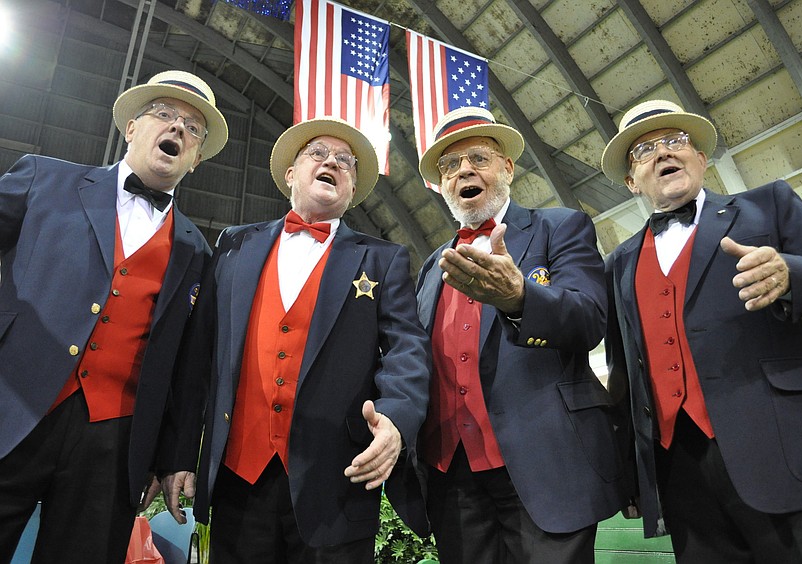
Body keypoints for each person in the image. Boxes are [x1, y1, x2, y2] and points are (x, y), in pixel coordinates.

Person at [157, 116, 431, 563]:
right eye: (318, 154)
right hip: (237, 481)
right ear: (290, 173)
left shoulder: (383, 259)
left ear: (352, 187)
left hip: (337, 484)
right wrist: (180, 453)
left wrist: (397, 419)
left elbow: (407, 349)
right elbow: (197, 361)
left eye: (345, 161)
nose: (333, 163)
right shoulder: (233, 246)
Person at [602, 99, 802, 562]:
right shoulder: (617, 264)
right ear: (632, 182)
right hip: (682, 478)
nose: (663, 152)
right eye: (644, 150)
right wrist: (633, 472)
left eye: (675, 141)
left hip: (790, 457)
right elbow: (624, 376)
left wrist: (793, 275)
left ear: (701, 157)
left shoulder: (768, 206)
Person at [0, 70, 227, 562]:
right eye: (164, 115)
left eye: (192, 127)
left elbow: (190, 372)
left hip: (115, 441)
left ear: (197, 157)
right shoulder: (43, 178)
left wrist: (173, 457)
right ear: (131, 128)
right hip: (11, 408)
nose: (178, 129)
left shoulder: (198, 251)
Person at [415, 106, 625, 563]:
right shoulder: (432, 267)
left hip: (545, 466)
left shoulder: (560, 226)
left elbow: (589, 319)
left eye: (478, 158)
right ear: (442, 185)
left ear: (507, 168)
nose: (464, 170)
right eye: (450, 165)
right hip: (455, 479)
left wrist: (520, 299)